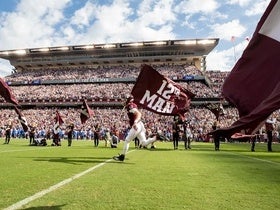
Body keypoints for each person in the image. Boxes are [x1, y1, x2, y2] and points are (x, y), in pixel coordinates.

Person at [113, 96, 158, 161]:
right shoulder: (131, 105)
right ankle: (156, 138)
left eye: (124, 99)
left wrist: (135, 122)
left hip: (136, 125)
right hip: (140, 124)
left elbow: (139, 114)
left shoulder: (130, 106)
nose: (123, 101)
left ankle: (122, 156)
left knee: (127, 140)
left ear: (128, 100)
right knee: (144, 143)